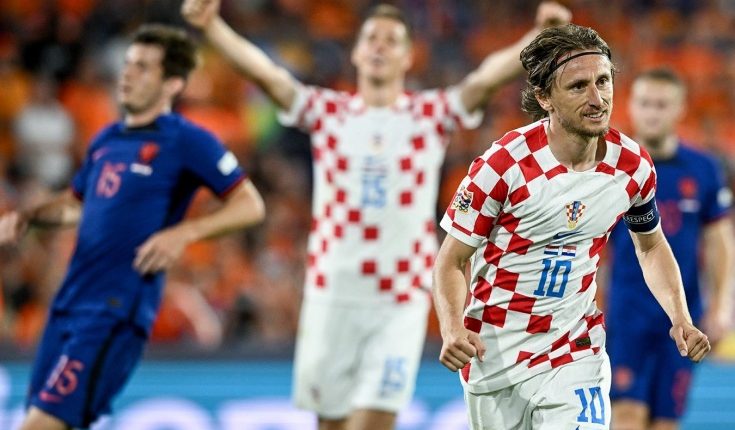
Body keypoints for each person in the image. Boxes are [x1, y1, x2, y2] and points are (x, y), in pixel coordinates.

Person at [180, 1, 571, 429]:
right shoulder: (328, 112)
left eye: (392, 40)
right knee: (330, 423)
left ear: (408, 57)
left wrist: (536, 35)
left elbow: (484, 80)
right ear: (356, 51)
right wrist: (212, 26)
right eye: (372, 38)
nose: (380, 46)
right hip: (332, 293)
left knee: (374, 420)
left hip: (398, 297)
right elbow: (267, 76)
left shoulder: (428, 114)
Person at [432, 24, 711, 430]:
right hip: (496, 352)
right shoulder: (503, 166)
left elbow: (650, 246)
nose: (597, 99)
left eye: (603, 81)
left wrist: (680, 317)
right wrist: (453, 327)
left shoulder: (632, 166)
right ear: (544, 97)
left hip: (575, 348)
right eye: (578, 86)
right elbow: (452, 260)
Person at [0, 24, 266, 430]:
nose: (127, 74)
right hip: (69, 304)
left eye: (143, 67)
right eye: (128, 64)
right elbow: (76, 207)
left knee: (41, 425)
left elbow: (250, 205)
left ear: (173, 83)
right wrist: (28, 216)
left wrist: (184, 233)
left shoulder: (187, 141)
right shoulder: (106, 139)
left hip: (114, 309)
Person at [602, 68, 734, 430]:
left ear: (680, 109)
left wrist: (721, 305)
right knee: (626, 416)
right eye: (644, 103)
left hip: (684, 317)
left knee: (665, 423)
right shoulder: (612, 168)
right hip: (628, 315)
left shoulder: (704, 169)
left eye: (661, 105)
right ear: (631, 106)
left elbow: (720, 241)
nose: (652, 113)